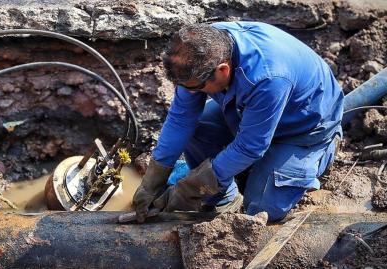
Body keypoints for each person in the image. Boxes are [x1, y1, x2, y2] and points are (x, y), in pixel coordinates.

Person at [132, 21, 344, 223]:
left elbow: (250, 146)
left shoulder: (268, 77)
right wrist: (153, 180)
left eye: (194, 88)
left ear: (222, 70)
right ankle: (222, 197)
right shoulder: (202, 48)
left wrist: (189, 189)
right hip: (250, 110)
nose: (189, 93)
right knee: (196, 130)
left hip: (303, 128)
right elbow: (180, 119)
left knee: (261, 209)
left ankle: (324, 151)